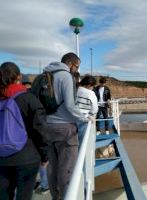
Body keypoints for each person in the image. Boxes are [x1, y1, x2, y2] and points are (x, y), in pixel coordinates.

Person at [41, 52, 90, 199]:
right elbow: (69, 105)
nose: (76, 70)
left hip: (48, 126)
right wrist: (84, 118)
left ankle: (55, 196)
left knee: (52, 167)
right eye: (77, 66)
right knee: (67, 167)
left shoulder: (46, 74)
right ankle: (67, 196)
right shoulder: (65, 76)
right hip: (65, 128)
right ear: (70, 64)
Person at [0, 62, 48, 200]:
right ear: (19, 77)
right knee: (24, 195)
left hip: (2, 159)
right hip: (27, 157)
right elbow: (40, 130)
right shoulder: (28, 99)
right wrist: (45, 156)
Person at [21, 75, 49, 195]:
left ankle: (30, 185)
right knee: (43, 162)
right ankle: (44, 185)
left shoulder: (12, 97)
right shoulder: (33, 97)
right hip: (34, 137)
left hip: (19, 140)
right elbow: (39, 124)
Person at [76, 75, 98, 145]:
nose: (93, 88)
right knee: (83, 142)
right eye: (93, 86)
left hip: (72, 118)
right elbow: (94, 108)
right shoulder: (91, 93)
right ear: (89, 85)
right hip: (84, 119)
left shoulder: (75, 90)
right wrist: (91, 115)